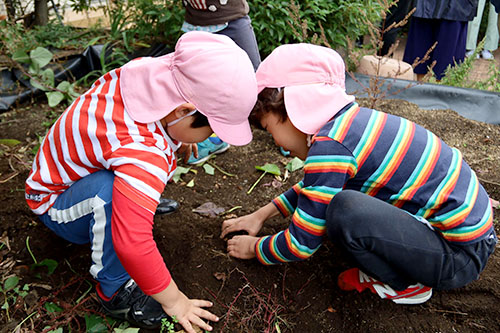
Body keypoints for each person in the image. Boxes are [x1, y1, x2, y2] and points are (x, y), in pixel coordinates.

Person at [221, 43, 497, 305]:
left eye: (271, 130)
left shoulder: (330, 147)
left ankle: (407, 286)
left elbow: (300, 245)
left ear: (293, 110)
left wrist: (254, 248)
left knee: (344, 211)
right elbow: (316, 187)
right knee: (335, 202)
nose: (276, 143)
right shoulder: (348, 125)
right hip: (471, 238)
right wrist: (261, 215)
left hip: (458, 257)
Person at [25, 31, 257, 332]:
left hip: (72, 170)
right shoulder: (142, 152)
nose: (210, 138)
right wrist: (175, 301)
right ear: (184, 111)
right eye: (210, 130)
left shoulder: (144, 76)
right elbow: (133, 244)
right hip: (55, 201)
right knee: (107, 196)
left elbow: (157, 125)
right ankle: (115, 289)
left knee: (128, 183)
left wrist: (182, 136)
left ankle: (132, 201)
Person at [181, 0, 261, 164]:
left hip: (232, 20)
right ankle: (213, 136)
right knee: (198, 83)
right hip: (196, 24)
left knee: (256, 78)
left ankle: (285, 124)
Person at [403, 0, 479, 80]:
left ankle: (438, 88)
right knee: (422, 55)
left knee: (446, 62)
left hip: (455, 8)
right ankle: (422, 87)